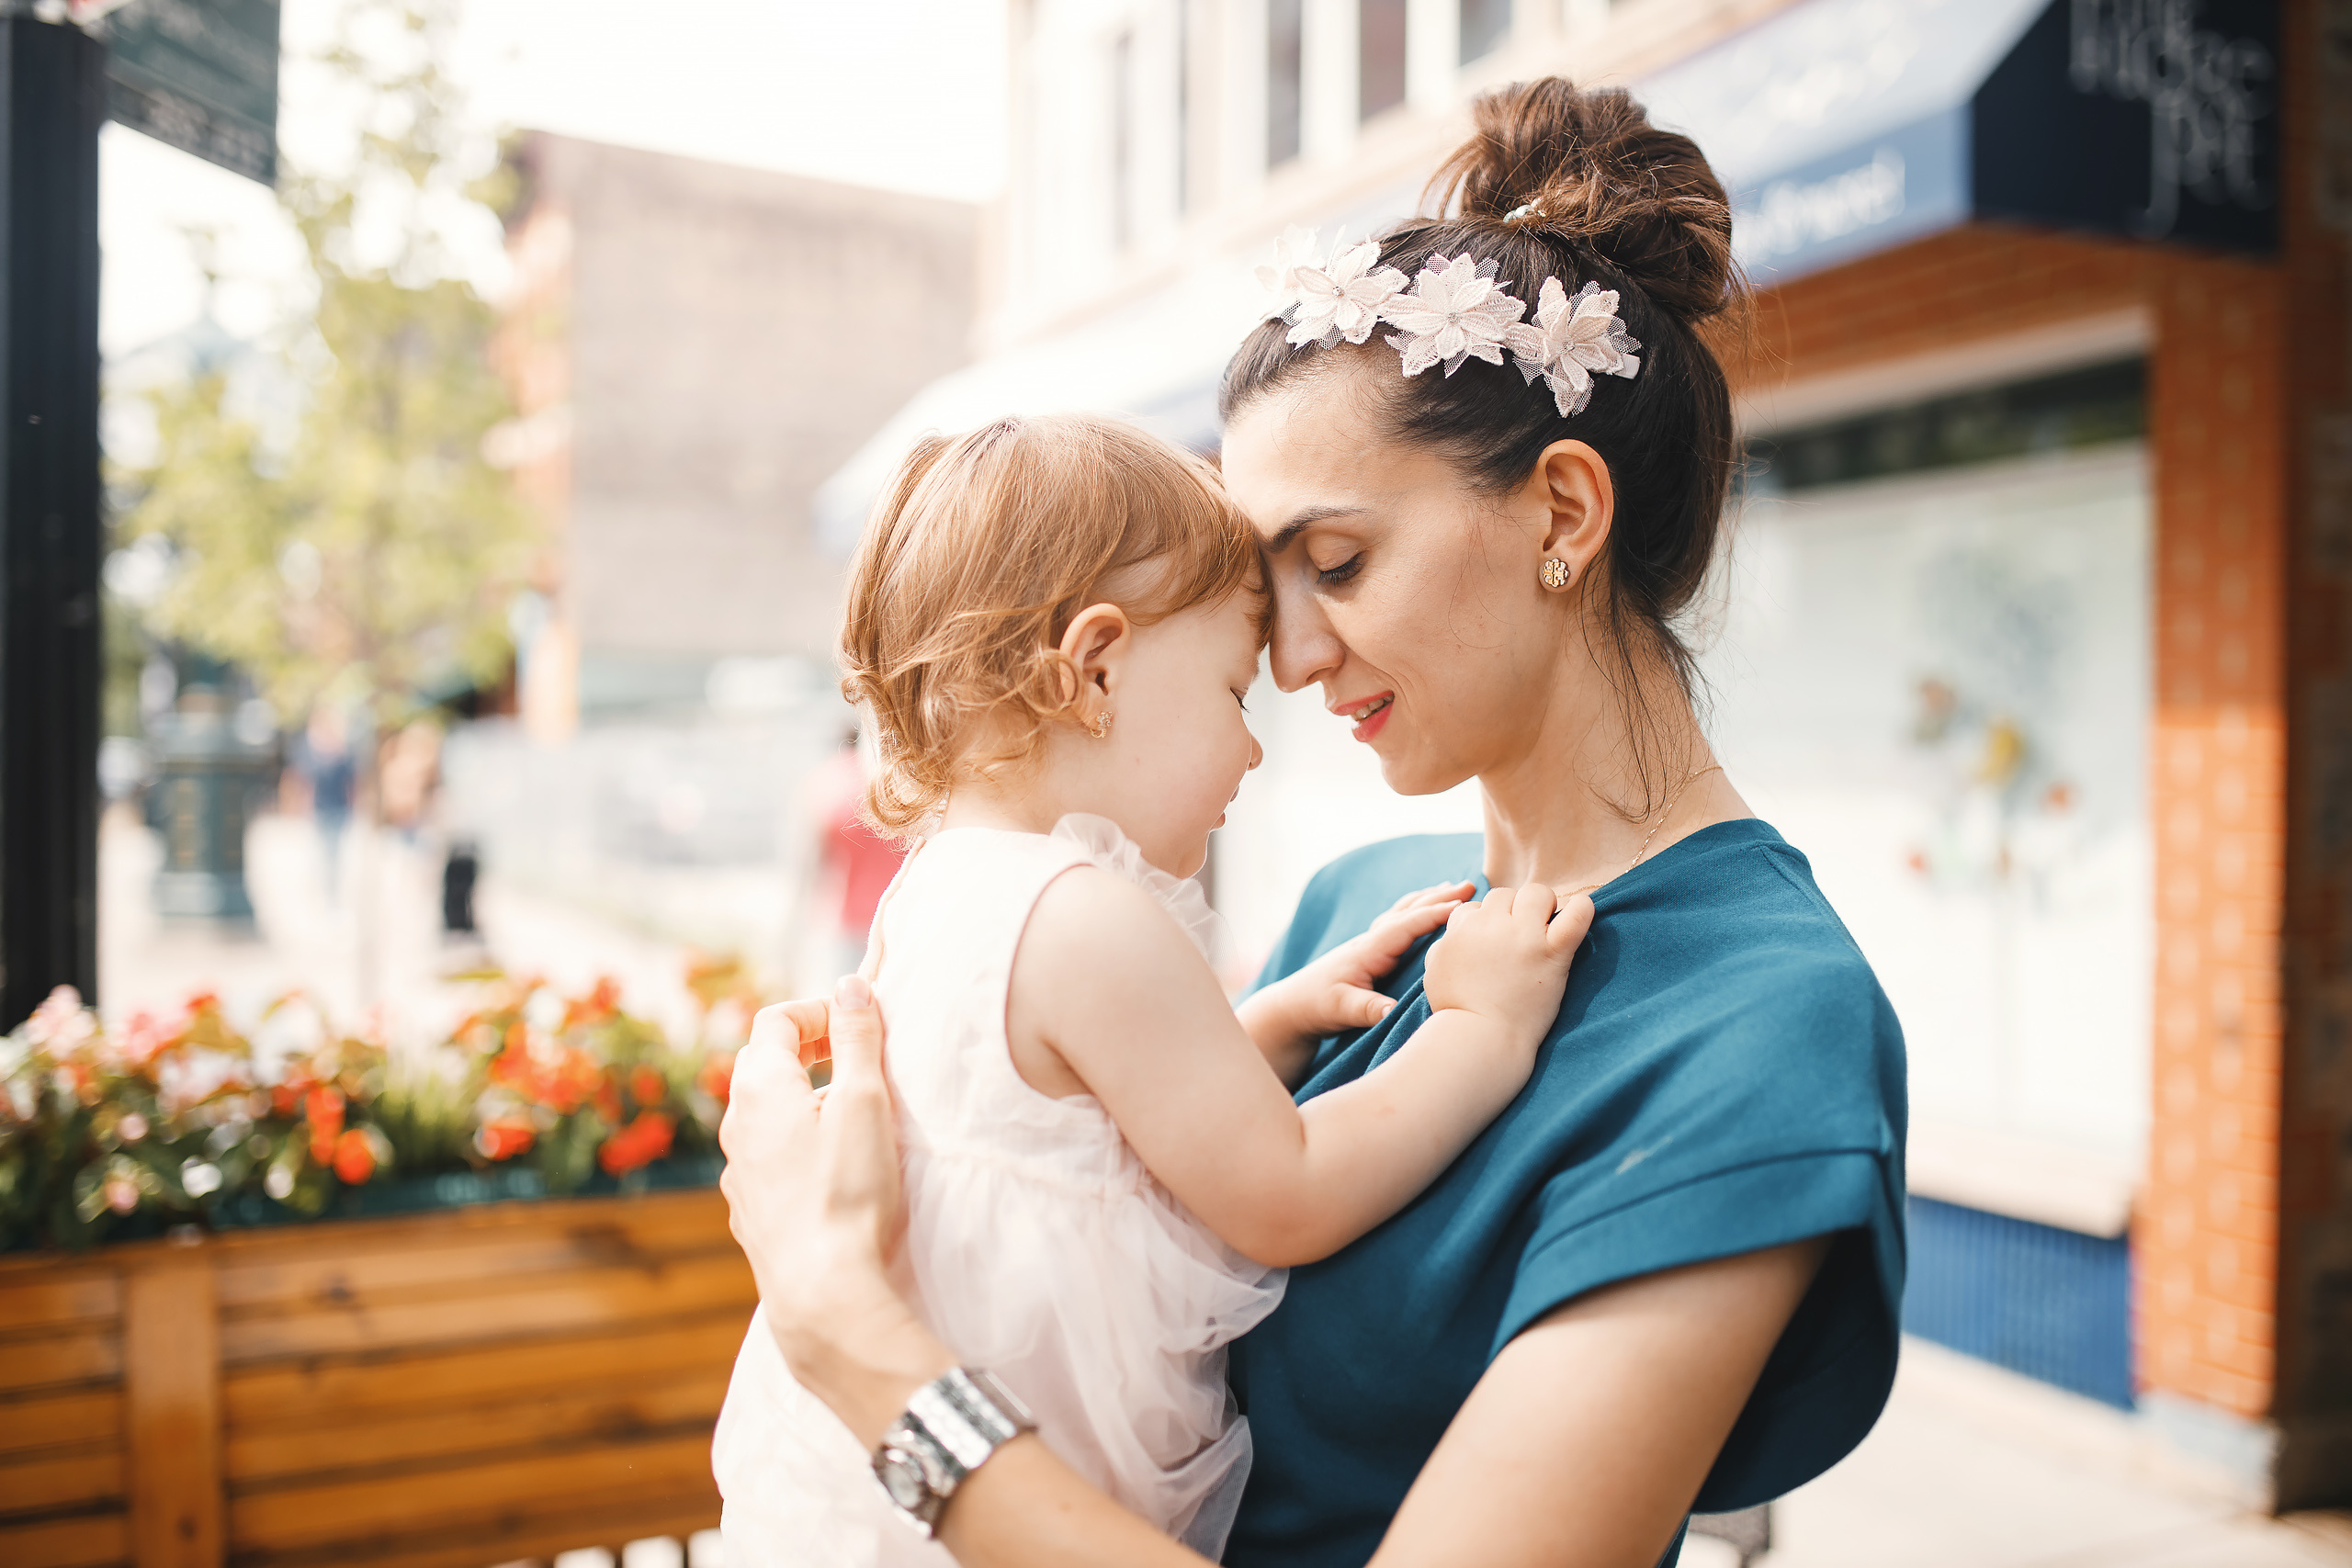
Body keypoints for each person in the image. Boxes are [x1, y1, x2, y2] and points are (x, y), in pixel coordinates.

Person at [718, 79, 1907, 1568]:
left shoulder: (1760, 1027)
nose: (1284, 659)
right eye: (1264, 589)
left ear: (1562, 514)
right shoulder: (1367, 902)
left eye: (1334, 561)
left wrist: (855, 1339)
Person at [712, 413, 1591, 1565]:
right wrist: (1480, 1027)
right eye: (1233, 692)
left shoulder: (940, 889)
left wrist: (1259, 1026)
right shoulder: (1085, 913)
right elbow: (1286, 1190)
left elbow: (1070, 1127)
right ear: (1095, 669)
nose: (1253, 750)